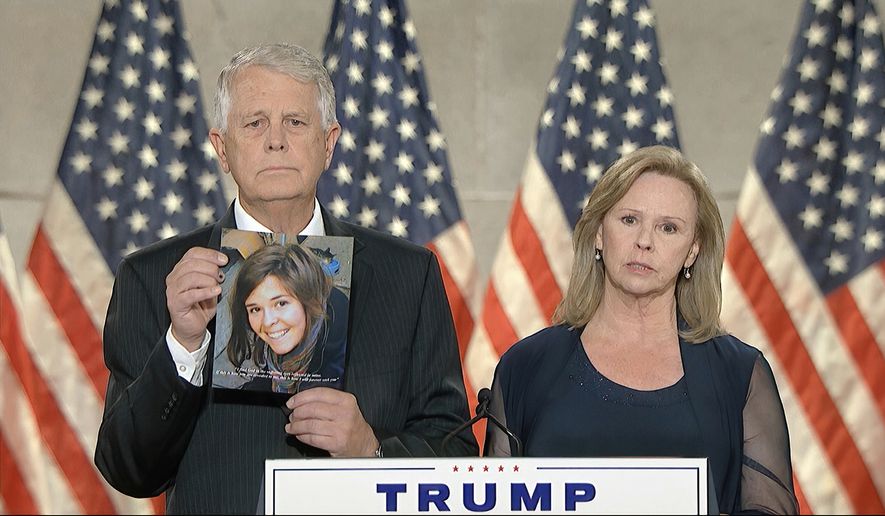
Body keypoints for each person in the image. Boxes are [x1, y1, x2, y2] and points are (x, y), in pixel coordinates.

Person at [94, 43, 477, 514]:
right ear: (222, 148)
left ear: (329, 143)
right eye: (255, 123)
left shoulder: (408, 276)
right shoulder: (153, 277)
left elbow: (456, 453)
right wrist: (184, 345)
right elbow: (128, 470)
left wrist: (372, 450)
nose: (276, 140)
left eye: (295, 122)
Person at [486, 146, 798, 514]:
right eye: (629, 219)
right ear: (599, 233)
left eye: (669, 228)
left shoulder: (739, 373)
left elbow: (768, 508)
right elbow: (493, 502)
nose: (645, 241)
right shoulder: (526, 366)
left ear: (693, 251)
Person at [226, 243, 344, 394]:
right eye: (255, 309)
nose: (267, 321)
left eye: (281, 303)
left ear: (307, 300)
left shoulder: (337, 335)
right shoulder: (286, 338)